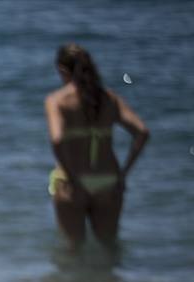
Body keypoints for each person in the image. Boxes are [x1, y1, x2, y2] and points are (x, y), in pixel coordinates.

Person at [45, 43, 149, 249]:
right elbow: (142, 133)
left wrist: (70, 175)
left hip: (73, 181)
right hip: (108, 181)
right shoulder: (109, 99)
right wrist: (124, 173)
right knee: (109, 247)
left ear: (63, 71)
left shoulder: (57, 101)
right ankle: (108, 281)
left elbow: (57, 140)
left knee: (72, 249)